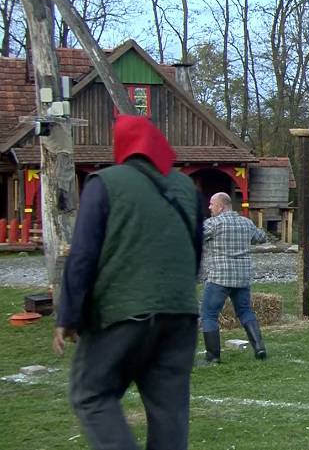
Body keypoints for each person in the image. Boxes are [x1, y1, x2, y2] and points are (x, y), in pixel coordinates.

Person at [52, 115, 203, 450]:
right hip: (180, 317)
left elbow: (83, 256)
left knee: (91, 394)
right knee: (170, 412)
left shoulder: (104, 182)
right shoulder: (187, 190)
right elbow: (194, 253)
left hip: (122, 312)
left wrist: (68, 316)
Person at [200, 192, 270, 363]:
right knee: (245, 311)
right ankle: (259, 348)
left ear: (221, 206)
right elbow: (262, 237)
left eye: (211, 204)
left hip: (220, 277)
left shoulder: (213, 224)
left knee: (209, 315)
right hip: (242, 277)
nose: (209, 207)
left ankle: (213, 357)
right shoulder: (246, 223)